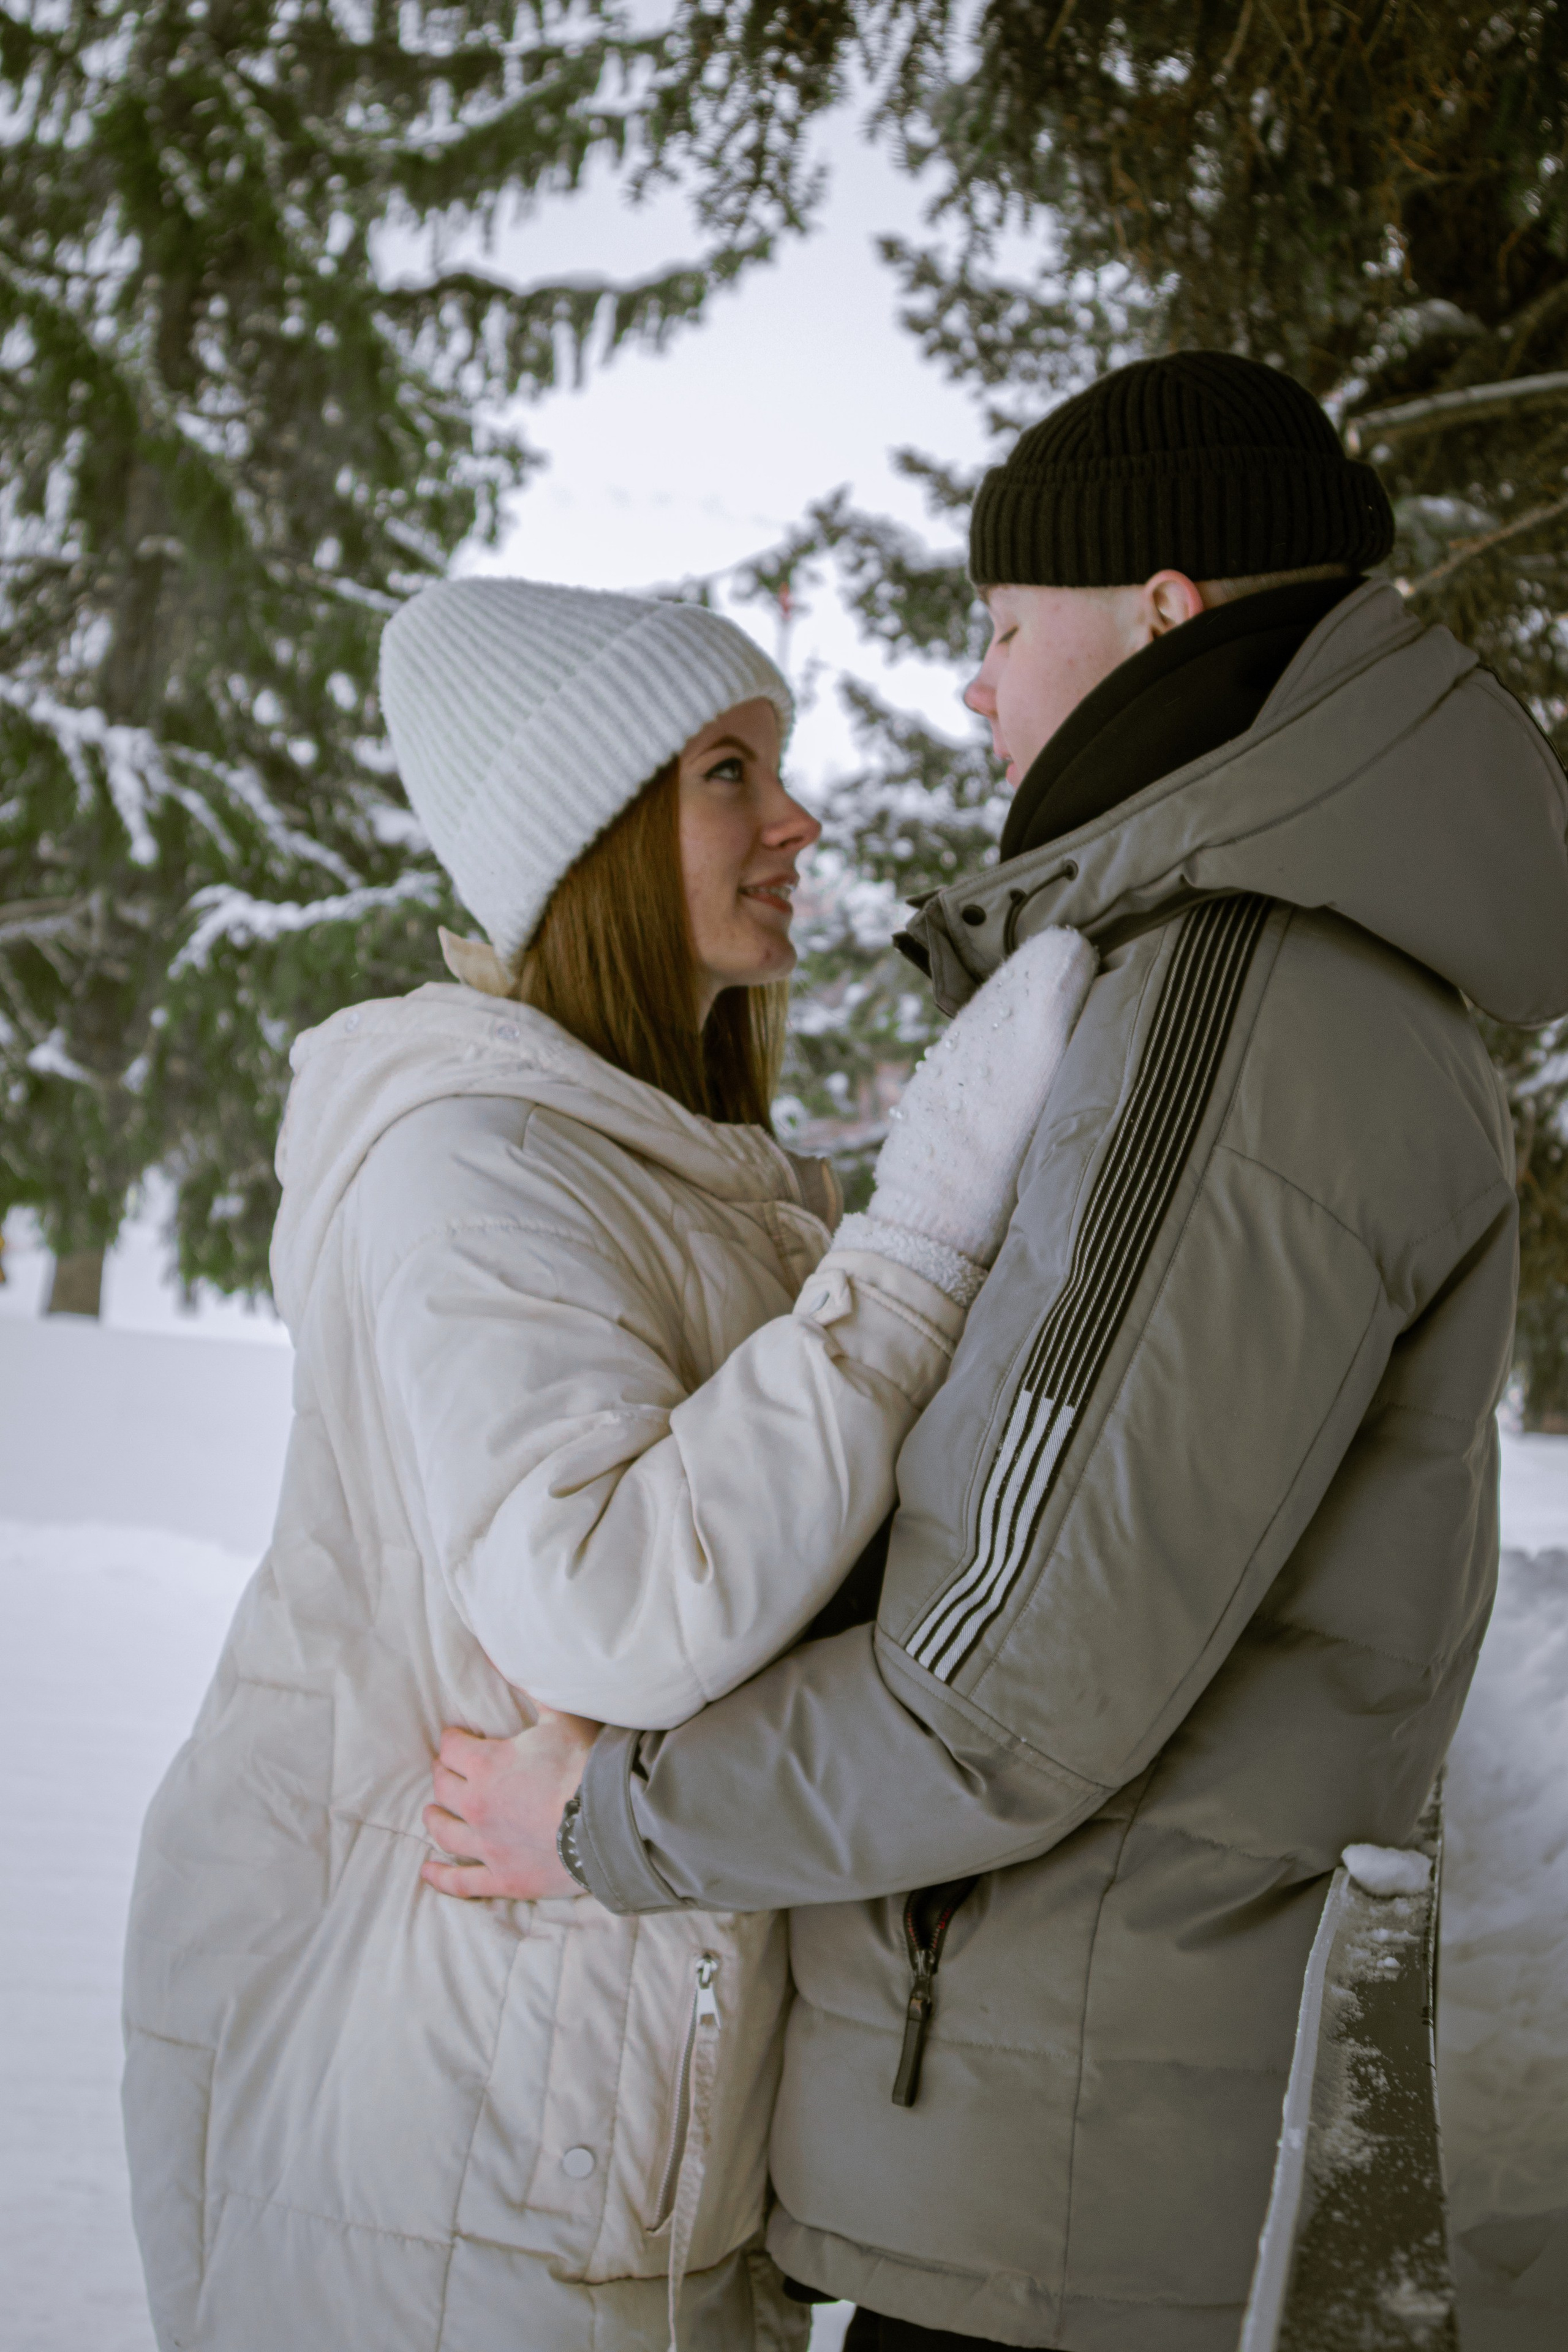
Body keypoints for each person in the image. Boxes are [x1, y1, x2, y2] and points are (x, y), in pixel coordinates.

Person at [421, 353, 1568, 2351]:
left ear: (1161, 613)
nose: (973, 690)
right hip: (1097, 2144)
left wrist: (607, 1819)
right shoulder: (1286, 972)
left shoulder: (1238, 999)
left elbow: (1006, 1693)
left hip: (1067, 2198)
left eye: (1003, 626)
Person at [121, 575, 1094, 2352]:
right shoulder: (475, 1166)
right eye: (730, 773)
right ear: (594, 839)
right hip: (476, 2162)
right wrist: (911, 1255)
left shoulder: (677, 1168)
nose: (797, 821)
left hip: (614, 2123)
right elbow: (611, 1609)